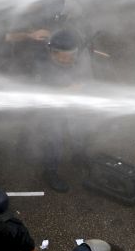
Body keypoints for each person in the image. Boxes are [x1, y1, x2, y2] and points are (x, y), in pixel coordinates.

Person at [33, 28, 94, 192]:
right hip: (51, 110)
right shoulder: (40, 64)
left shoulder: (79, 56)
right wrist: (68, 91)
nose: (70, 59)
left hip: (74, 106)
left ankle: (78, 156)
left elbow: (87, 76)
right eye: (65, 56)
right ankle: (50, 171)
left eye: (73, 54)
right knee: (54, 141)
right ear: (53, 52)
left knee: (79, 132)